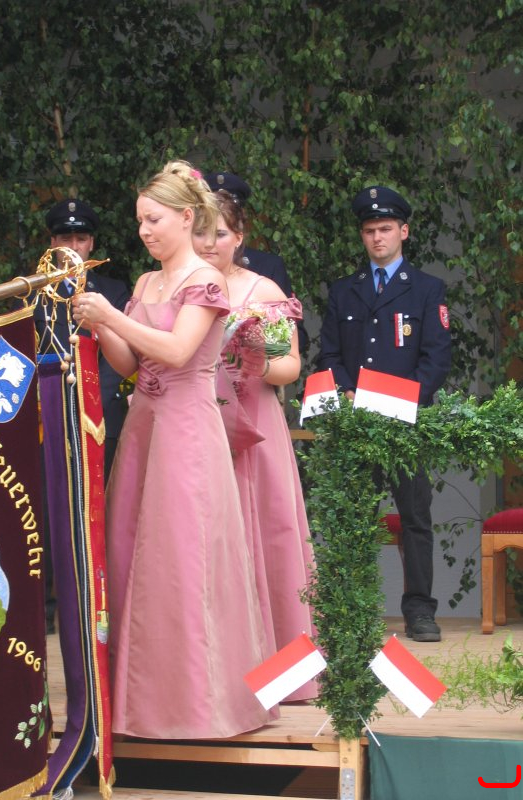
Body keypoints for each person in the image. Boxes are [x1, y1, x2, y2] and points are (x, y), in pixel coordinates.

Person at [71, 160, 277, 739]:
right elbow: (131, 365)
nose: (144, 231)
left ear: (187, 218)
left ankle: (197, 704)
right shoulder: (145, 283)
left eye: (154, 220)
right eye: (139, 221)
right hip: (145, 425)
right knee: (136, 555)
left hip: (186, 430)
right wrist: (97, 323)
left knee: (183, 559)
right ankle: (142, 702)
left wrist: (112, 316)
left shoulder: (205, 281)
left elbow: (179, 351)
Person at [193, 189, 317, 701]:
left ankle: (281, 674)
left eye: (220, 233)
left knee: (267, 537)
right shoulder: (181, 286)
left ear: (239, 237)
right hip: (199, 424)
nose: (209, 243)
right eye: (200, 232)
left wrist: (250, 361)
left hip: (255, 424)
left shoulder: (262, 289)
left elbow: (290, 366)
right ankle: (213, 675)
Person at [317, 186, 452, 642]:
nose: (378, 238)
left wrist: (400, 403)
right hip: (358, 424)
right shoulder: (344, 291)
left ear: (404, 232)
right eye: (370, 230)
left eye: (386, 229)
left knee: (415, 518)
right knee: (354, 518)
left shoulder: (427, 289)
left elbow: (435, 360)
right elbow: (330, 355)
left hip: (406, 425)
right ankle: (353, 611)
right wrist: (347, 392)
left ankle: (420, 611)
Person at [32, 199, 130, 634]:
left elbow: (119, 360)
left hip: (99, 421)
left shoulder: (115, 291)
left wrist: (91, 406)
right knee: (46, 514)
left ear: (92, 243)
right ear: (52, 242)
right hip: (46, 422)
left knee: (100, 515)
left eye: (81, 238)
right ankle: (45, 610)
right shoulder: (31, 293)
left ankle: (98, 607)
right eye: (65, 238)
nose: (73, 246)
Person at [203, 171, 309, 353]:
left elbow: (291, 343)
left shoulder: (267, 267)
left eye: (220, 233)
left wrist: (253, 346)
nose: (209, 242)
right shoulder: (180, 276)